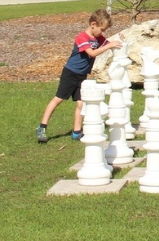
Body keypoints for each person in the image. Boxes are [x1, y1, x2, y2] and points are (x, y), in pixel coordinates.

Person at [36, 8, 119, 142]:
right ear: (93, 24)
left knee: (81, 103)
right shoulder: (82, 38)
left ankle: (76, 132)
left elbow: (109, 43)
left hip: (82, 76)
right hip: (70, 73)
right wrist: (108, 46)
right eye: (102, 30)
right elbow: (91, 53)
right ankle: (42, 127)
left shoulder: (98, 38)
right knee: (58, 99)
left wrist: (118, 41)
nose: (102, 33)